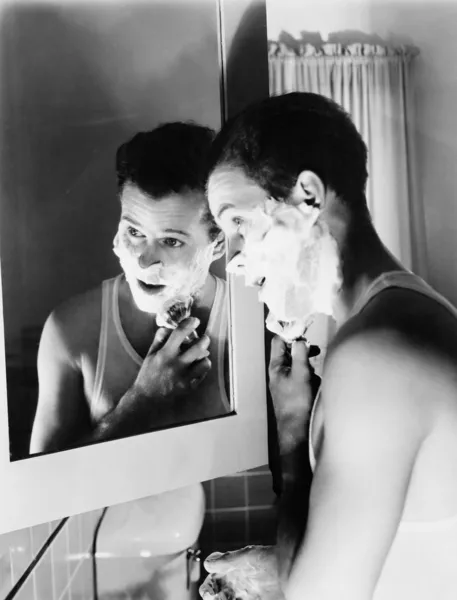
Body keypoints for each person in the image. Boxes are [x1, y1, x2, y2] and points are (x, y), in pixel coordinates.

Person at [201, 92, 457, 599]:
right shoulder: (403, 313)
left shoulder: (377, 356)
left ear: (307, 196)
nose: (231, 261)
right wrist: (279, 566)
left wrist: (293, 441)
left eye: (238, 223)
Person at [30, 121, 229, 454]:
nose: (143, 261)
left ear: (218, 244)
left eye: (170, 241)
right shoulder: (71, 328)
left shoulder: (255, 325)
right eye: (135, 233)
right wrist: (142, 402)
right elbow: (44, 492)